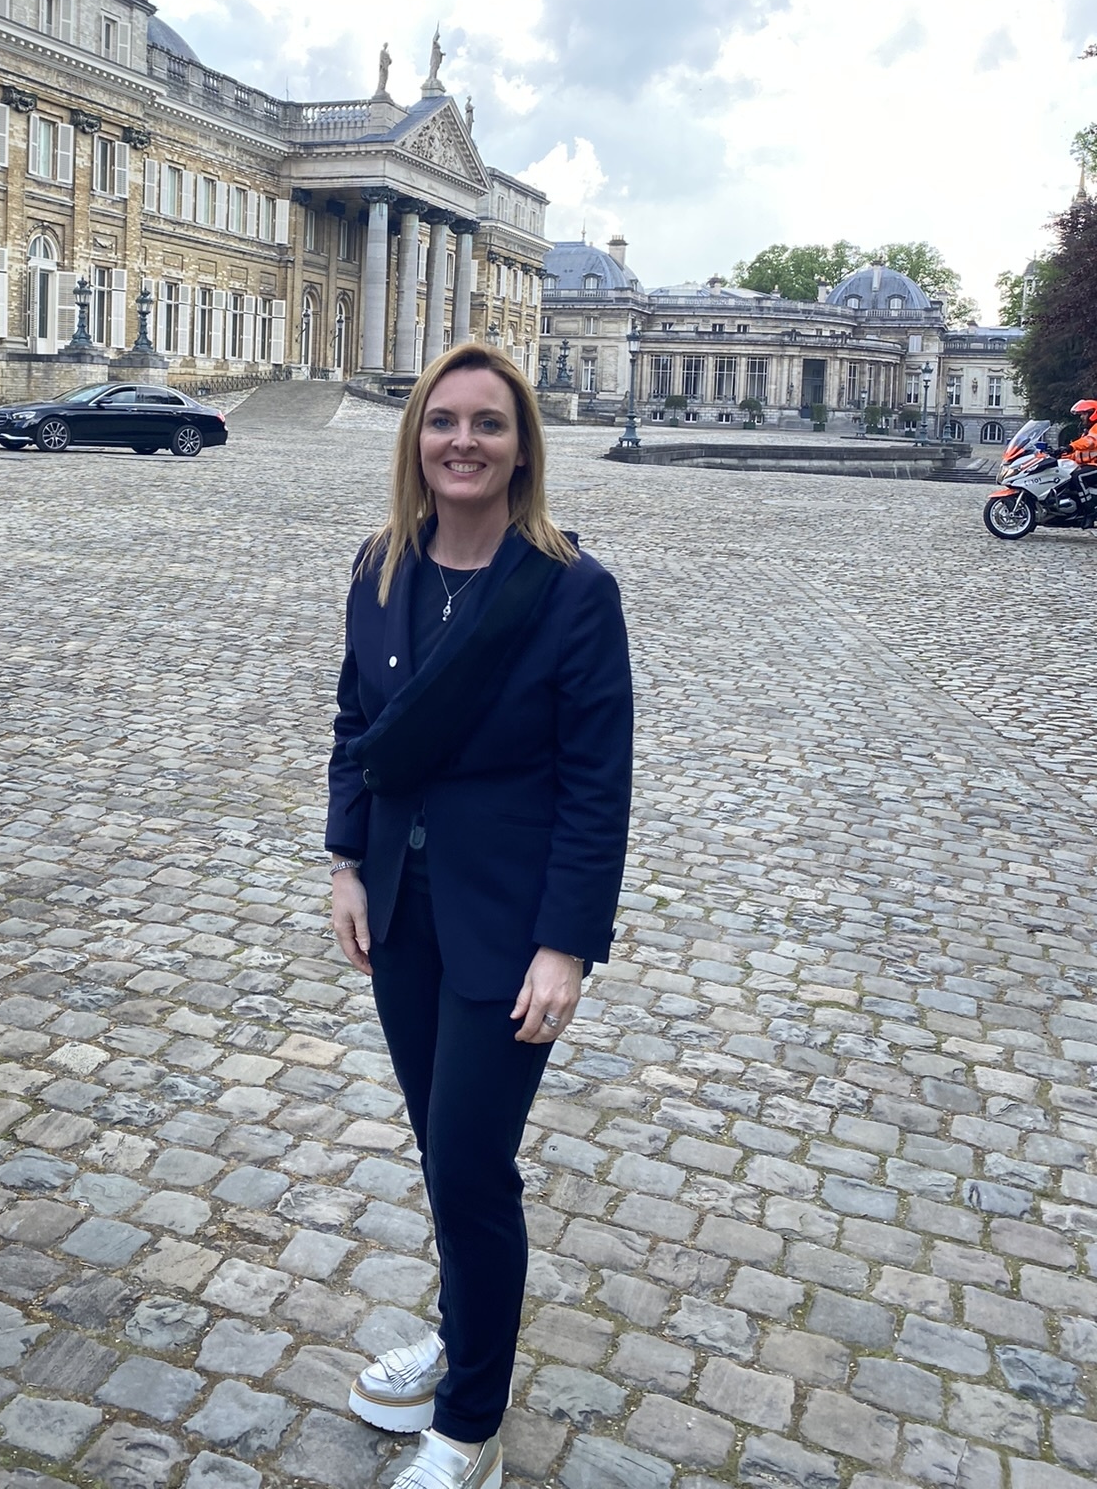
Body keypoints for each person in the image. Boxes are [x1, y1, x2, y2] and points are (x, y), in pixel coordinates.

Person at [327, 344, 633, 1489]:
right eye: (443, 420)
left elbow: (599, 784)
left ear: (522, 447)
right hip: (401, 908)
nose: (463, 440)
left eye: (488, 424)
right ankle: (464, 1332)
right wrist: (346, 859)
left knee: (469, 1160)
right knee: (438, 1146)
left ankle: (469, 1421)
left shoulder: (569, 589)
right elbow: (357, 721)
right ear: (417, 437)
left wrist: (568, 943)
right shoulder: (381, 564)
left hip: (509, 922)